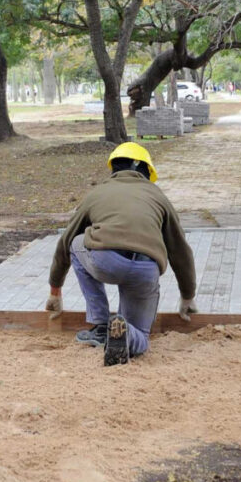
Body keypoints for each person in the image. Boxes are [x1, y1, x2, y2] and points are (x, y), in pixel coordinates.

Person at [45, 142, 197, 366]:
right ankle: (128, 335)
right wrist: (187, 296)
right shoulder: (158, 196)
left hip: (106, 260)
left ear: (113, 169)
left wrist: (55, 291)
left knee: (77, 243)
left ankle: (101, 326)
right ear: (145, 170)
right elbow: (180, 250)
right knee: (141, 335)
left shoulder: (97, 193)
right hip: (146, 268)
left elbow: (65, 242)